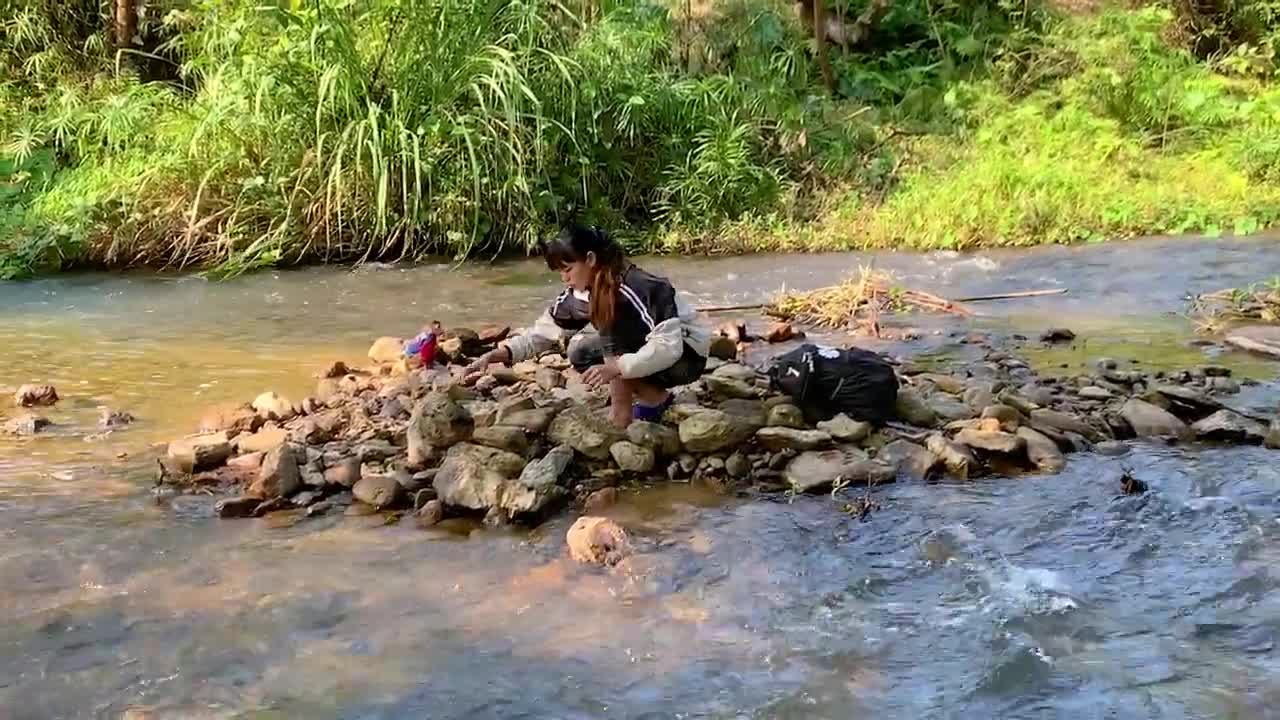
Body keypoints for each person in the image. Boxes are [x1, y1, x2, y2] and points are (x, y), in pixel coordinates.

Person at [466, 225, 710, 427]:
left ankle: (620, 415)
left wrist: (618, 368)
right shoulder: (578, 296)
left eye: (568, 269)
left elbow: (669, 346)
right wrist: (499, 353)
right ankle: (655, 399)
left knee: (612, 328)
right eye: (559, 272)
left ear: (591, 259)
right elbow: (544, 332)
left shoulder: (640, 286)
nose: (565, 278)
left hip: (687, 357)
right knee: (579, 352)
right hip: (648, 353)